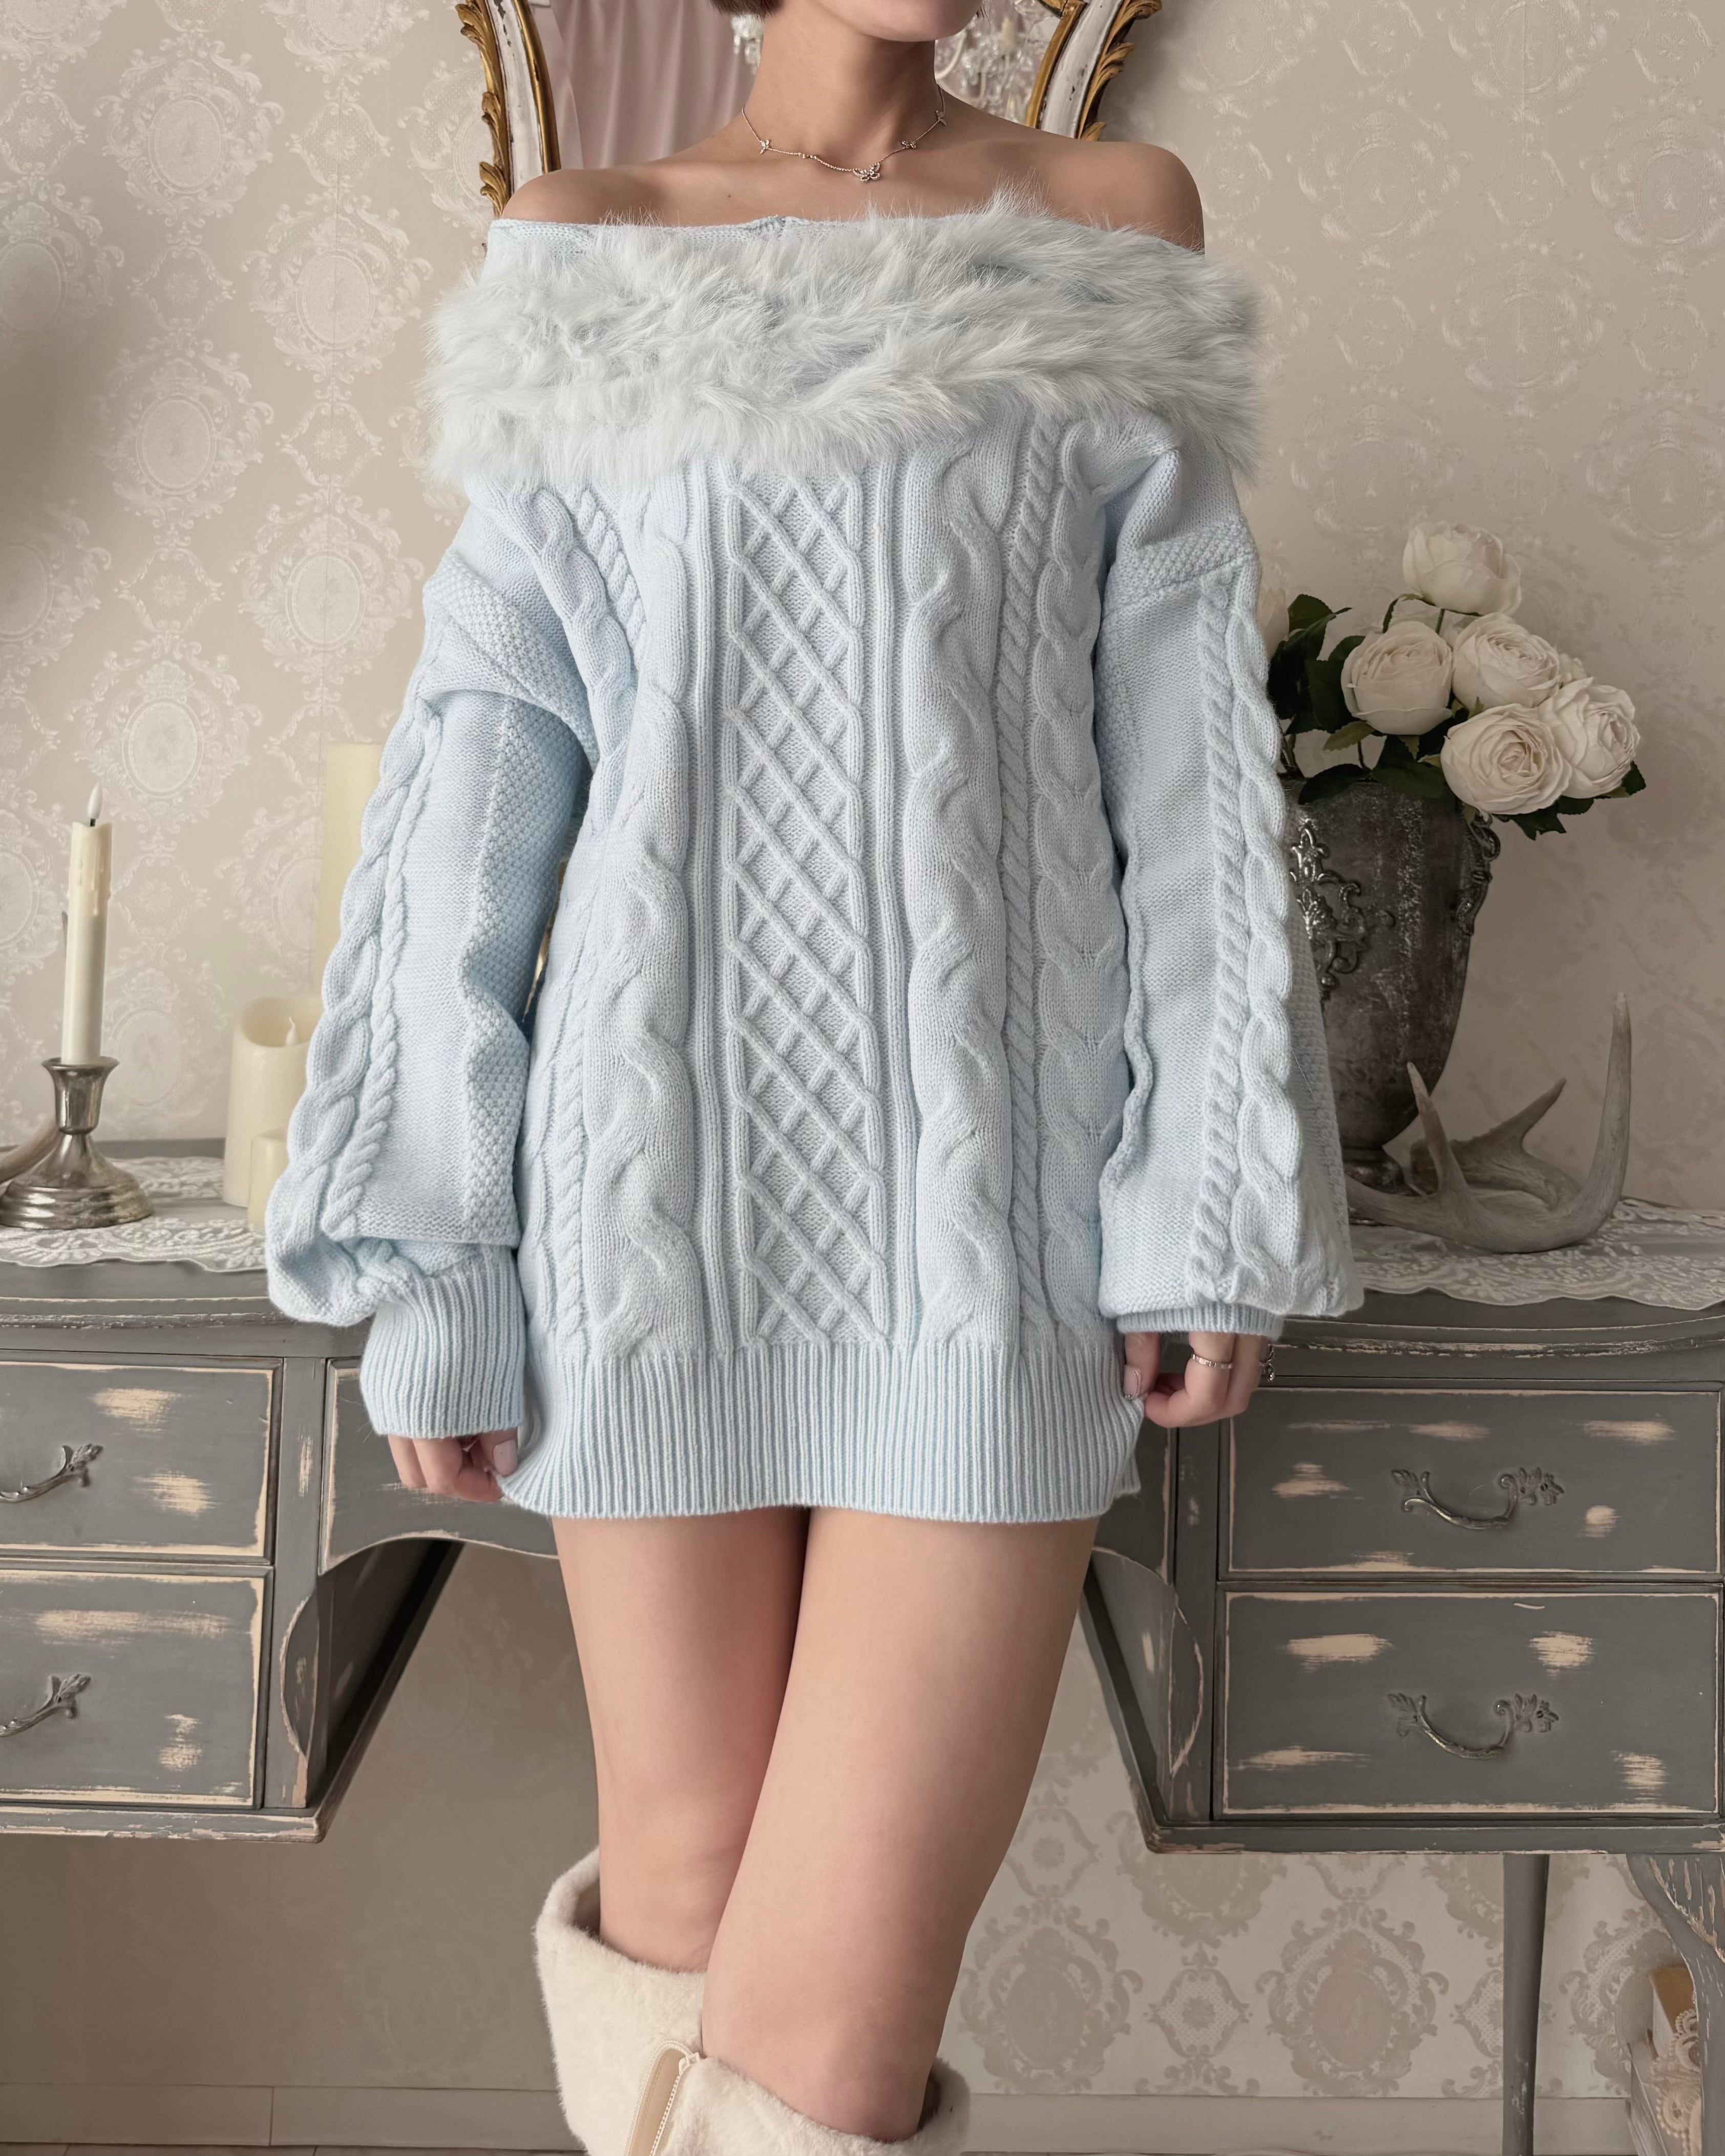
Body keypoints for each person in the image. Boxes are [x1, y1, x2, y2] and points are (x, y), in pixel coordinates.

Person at [264, 3, 1363, 2151]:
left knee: (834, 2025)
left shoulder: (1107, 216)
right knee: (677, 1911)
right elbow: (482, 765)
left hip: (995, 1216)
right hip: (647, 1201)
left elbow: (1187, 760)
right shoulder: (585, 236)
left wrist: (1203, 1202)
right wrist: (429, 1256)